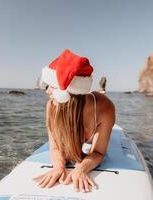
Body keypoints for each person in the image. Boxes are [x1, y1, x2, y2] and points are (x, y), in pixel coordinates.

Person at [33, 49, 115, 193]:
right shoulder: (52, 107)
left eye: (52, 86)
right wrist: (58, 166)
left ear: (68, 93)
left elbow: (98, 152)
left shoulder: (104, 108)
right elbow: (54, 148)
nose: (47, 91)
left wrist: (81, 169)